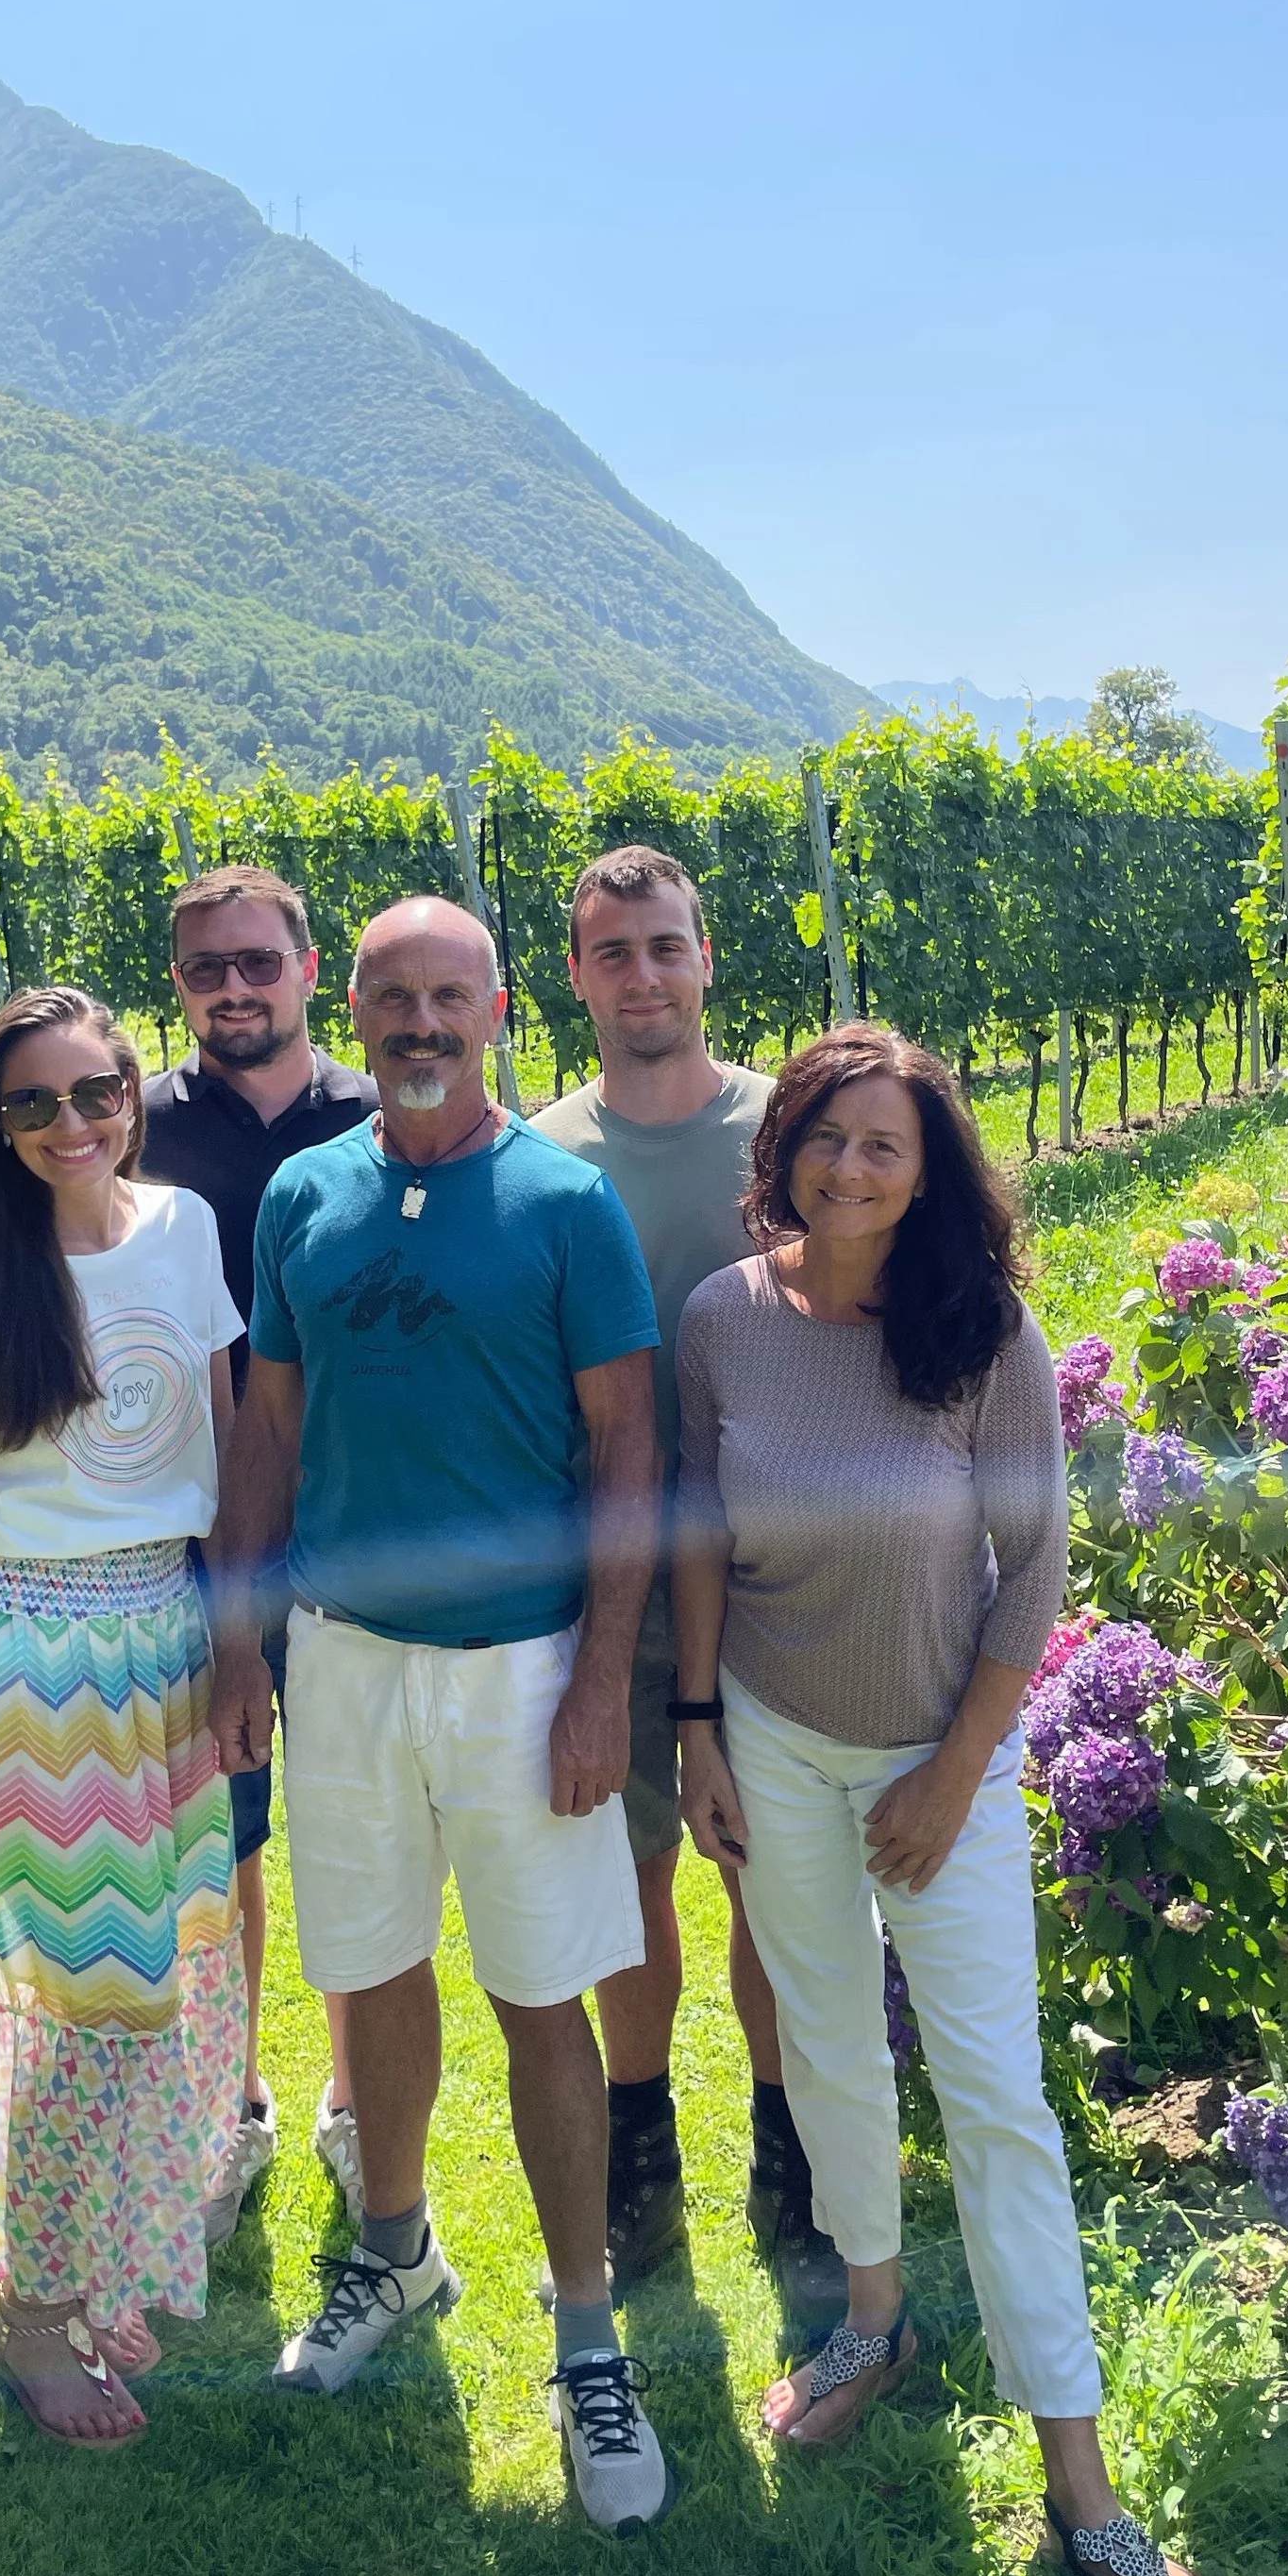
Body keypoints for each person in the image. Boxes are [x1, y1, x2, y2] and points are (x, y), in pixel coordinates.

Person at [673, 1026, 1229, 2576]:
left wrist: (958, 1767)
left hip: (946, 1760)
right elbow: (701, 1533)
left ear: (930, 1174)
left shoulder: (983, 1333)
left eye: (887, 1148)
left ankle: (1085, 2483)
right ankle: (872, 2320)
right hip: (773, 1740)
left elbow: (1036, 1562)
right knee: (827, 2049)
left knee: (996, 2099)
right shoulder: (723, 1319)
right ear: (784, 1150)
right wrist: (698, 1726)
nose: (854, 1170)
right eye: (829, 1140)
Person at [209, 895, 672, 2534]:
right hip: (338, 1655)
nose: (419, 1023)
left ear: (493, 1010)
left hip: (525, 1670)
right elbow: (270, 1422)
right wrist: (237, 1631)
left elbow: (629, 1458)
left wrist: (604, 1680)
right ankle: (393, 2251)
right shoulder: (301, 1197)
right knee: (370, 1967)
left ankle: (586, 2331)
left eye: (447, 996)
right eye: (390, 997)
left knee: (541, 1997)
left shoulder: (564, 1202)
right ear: (357, 1004)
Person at [0, 985, 245, 2447]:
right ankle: (27, 2311)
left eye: (97, 1094)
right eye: (34, 1104)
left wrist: (230, 1650)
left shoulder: (184, 1233)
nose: (73, 1125)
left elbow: (210, 1456)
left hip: (162, 1651)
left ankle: (82, 2264)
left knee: (150, 1985)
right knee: (81, 2003)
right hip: (24, 1674)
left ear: (134, 1096)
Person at [532, 845, 843, 2326]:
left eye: (666, 946)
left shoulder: (788, 1134)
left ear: (707, 958)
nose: (643, 976)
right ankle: (639, 2143)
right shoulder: (542, 1150)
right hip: (606, 1581)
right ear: (576, 976)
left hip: (775, 1576)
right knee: (631, 1867)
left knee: (769, 1871)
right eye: (614, 952)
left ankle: (789, 2155)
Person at [140, 864, 375, 2241]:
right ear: (182, 989)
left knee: (350, 1829)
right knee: (219, 1841)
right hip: (186, 1542)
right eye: (206, 971)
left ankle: (354, 2103)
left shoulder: (384, 1115)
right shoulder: (135, 1126)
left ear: (306, 965)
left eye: (257, 963)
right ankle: (230, 2109)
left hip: (350, 1534)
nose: (235, 989)